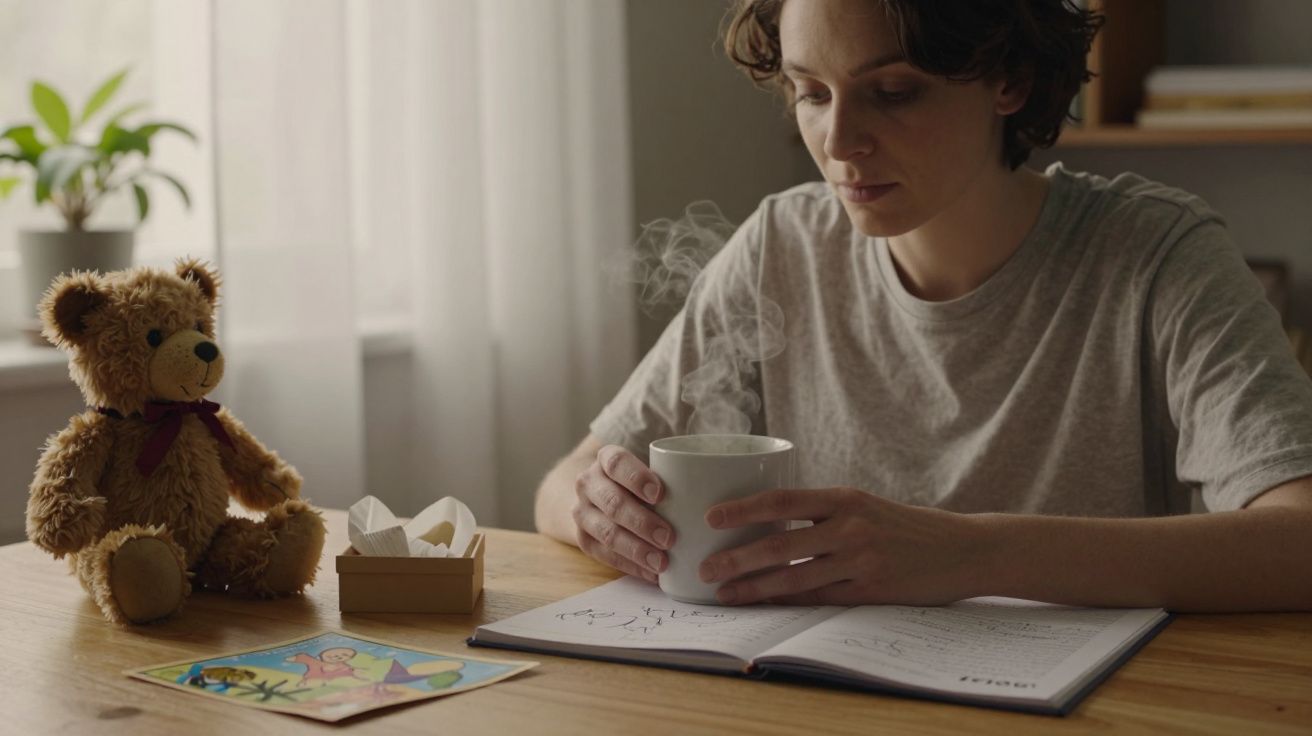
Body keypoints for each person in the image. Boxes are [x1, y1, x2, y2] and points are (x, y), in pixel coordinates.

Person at [534, 0, 1312, 611]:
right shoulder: (781, 246)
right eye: (810, 92)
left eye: (894, 92)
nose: (838, 140)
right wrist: (599, 512)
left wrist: (972, 553)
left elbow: (1299, 543)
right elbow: (563, 483)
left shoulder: (1156, 255)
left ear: (1007, 81)